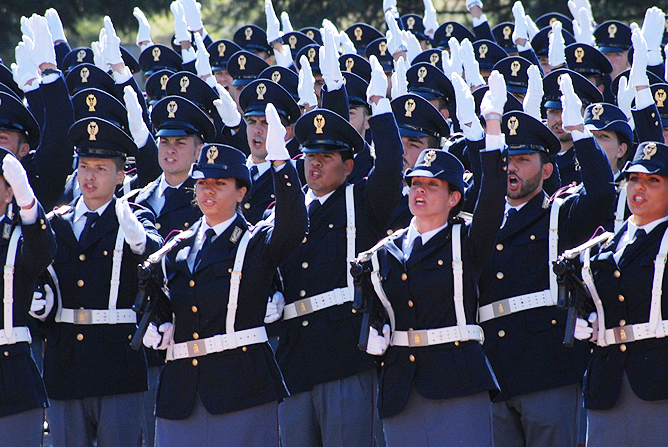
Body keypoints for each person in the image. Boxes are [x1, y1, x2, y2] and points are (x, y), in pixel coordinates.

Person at [143, 104, 306, 446]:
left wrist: (280, 163)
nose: (208, 191)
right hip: (181, 392)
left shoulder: (254, 241)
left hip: (240, 387)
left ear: (242, 192)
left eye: (220, 183)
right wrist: (159, 323)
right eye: (202, 183)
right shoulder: (177, 247)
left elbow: (293, 227)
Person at [361, 79, 508, 446]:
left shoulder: (466, 240)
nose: (420, 191)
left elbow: (492, 195)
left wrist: (492, 126)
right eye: (415, 184)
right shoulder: (385, 252)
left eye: (432, 185)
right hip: (402, 389)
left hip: (458, 382)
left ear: (455, 197)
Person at [477, 73, 616, 447]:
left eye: (523, 160)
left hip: (549, 370)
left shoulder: (560, 213)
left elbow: (602, 195)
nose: (512, 168)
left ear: (548, 169)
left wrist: (580, 133)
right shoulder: (484, 223)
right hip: (496, 373)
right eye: (508, 159)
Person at [274, 57, 403, 446]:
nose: (314, 164)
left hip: (345, 355)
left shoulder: (363, 202)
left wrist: (380, 108)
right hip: (295, 358)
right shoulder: (288, 208)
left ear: (348, 165)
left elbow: (391, 167)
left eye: (326, 157)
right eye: (310, 156)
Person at [39, 117, 163, 447]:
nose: (89, 176)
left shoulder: (135, 217)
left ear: (121, 174)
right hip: (66, 363)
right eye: (84, 166)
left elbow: (160, 260)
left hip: (117, 364)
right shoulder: (56, 222)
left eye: (101, 168)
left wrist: (141, 242)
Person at [573, 141, 668, 446]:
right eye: (634, 179)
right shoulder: (606, 244)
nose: (639, 188)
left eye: (653, 180)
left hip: (659, 382)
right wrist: (584, 316)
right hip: (607, 381)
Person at [0, 149, 55, 447]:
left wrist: (28, 203)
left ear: (9, 193)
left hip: (11, 373)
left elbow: (44, 249)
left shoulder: (19, 237)